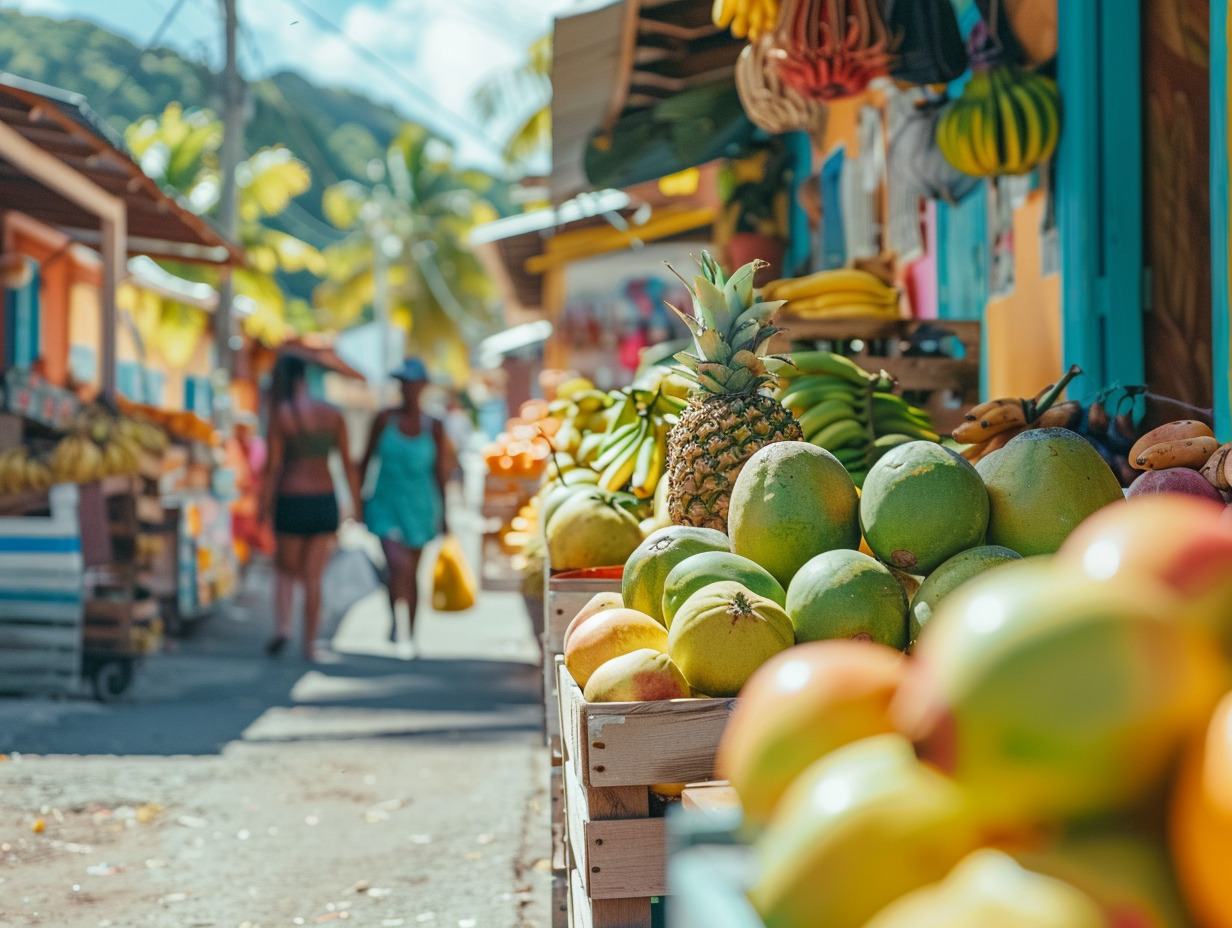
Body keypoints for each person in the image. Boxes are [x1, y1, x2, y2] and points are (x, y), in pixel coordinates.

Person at [259, 354, 362, 661]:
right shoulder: (333, 414)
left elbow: (273, 467)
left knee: (285, 571)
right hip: (323, 500)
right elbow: (347, 464)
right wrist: (356, 506)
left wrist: (263, 507)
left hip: (291, 499)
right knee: (314, 577)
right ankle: (310, 645)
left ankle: (283, 628)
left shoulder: (283, 414)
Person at [359, 358, 455, 648]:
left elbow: (440, 472)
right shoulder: (383, 419)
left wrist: (445, 513)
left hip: (421, 506)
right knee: (396, 564)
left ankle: (410, 632)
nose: (408, 389)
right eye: (403, 384)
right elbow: (364, 462)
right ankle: (393, 618)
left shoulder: (434, 425)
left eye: (413, 383)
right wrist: (357, 501)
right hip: (385, 502)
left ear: (423, 386)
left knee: (411, 572)